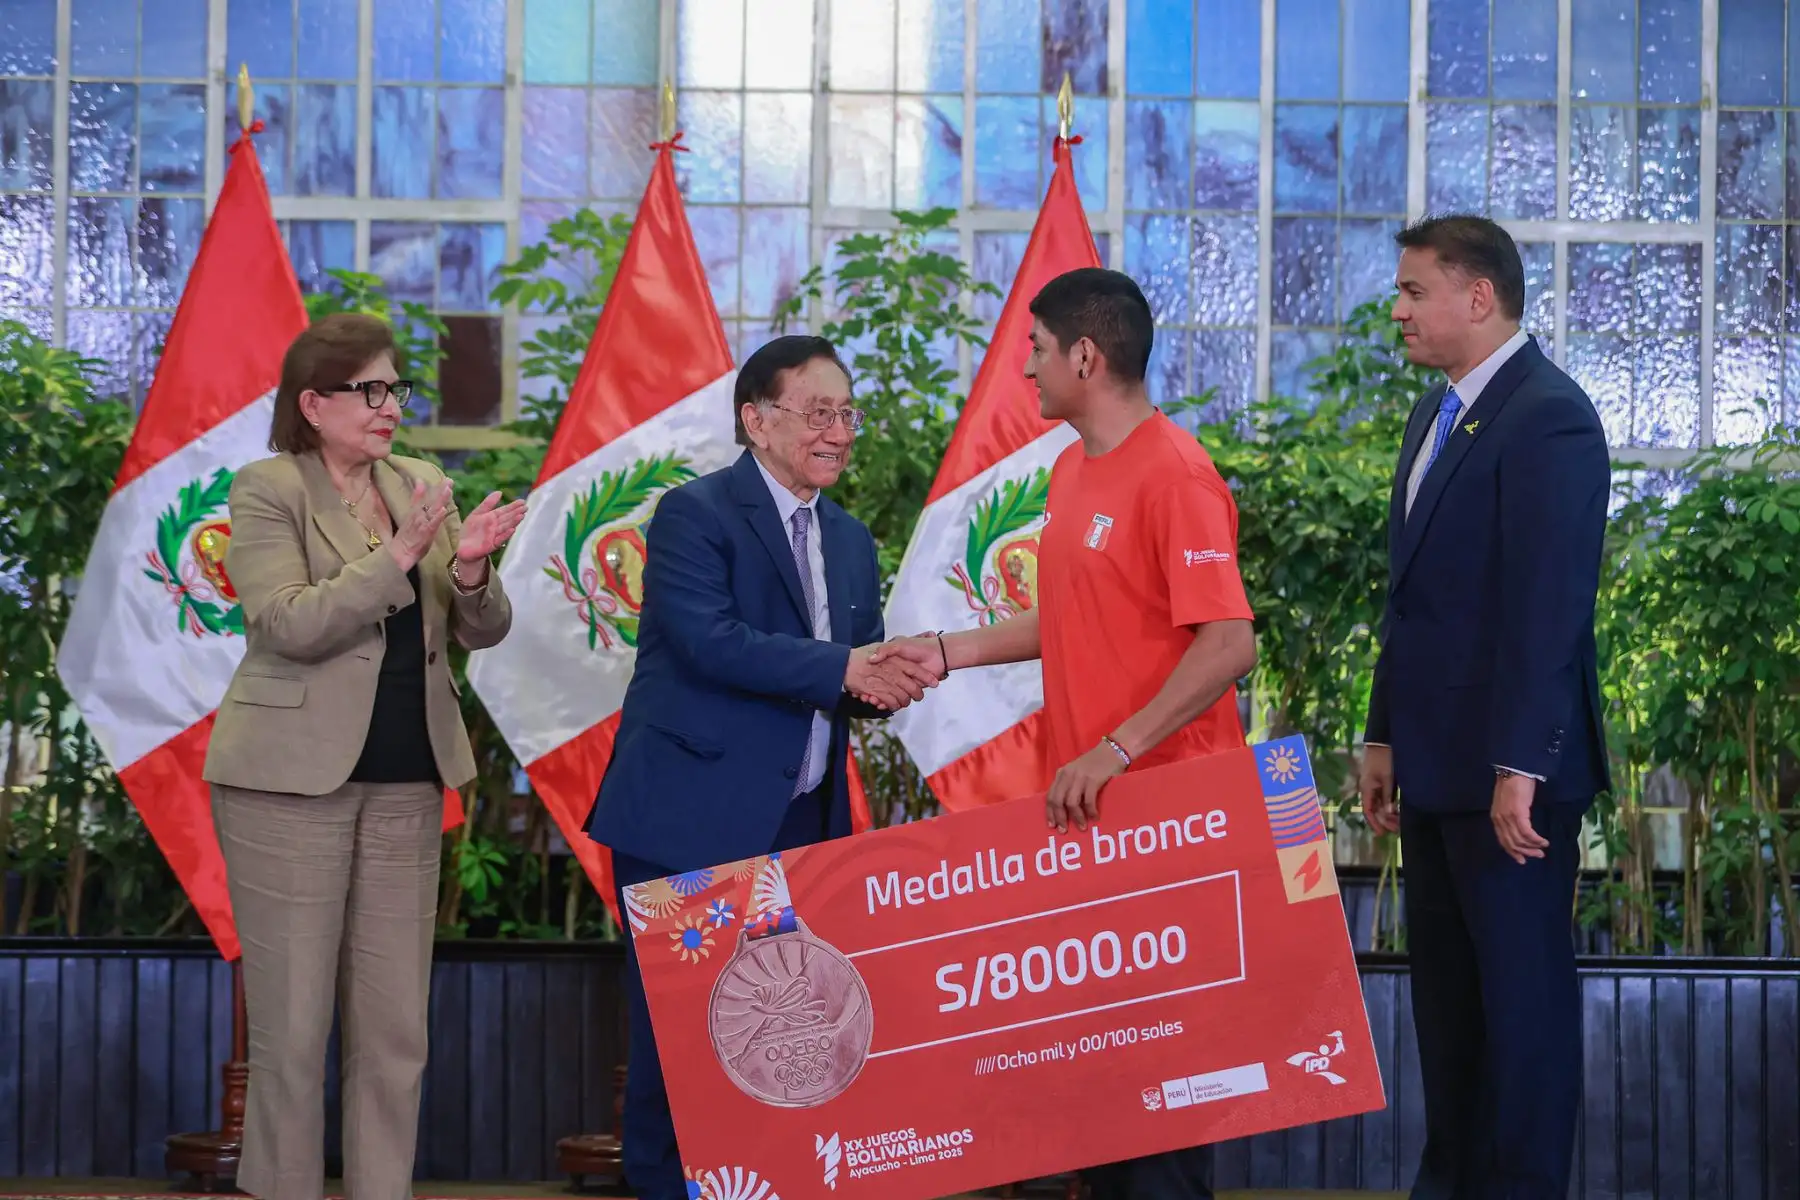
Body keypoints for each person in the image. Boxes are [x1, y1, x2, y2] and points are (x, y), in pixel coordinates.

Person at [874, 268, 1257, 1200]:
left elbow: (1230, 641)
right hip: (1086, 821)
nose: (1025, 372)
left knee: (1162, 1100)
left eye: (1036, 351)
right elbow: (1074, 617)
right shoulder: (1071, 467)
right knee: (1103, 1091)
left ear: (1086, 355)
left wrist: (1116, 748)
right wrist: (942, 650)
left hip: (1168, 821)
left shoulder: (1177, 473)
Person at [585, 334, 941, 1200]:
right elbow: (712, 644)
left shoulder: (851, 538)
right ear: (757, 419)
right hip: (688, 821)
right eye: (820, 412)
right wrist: (845, 669)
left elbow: (843, 670)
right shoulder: (695, 515)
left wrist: (890, 680)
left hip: (802, 828)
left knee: (786, 1039)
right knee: (682, 1034)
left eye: (848, 413)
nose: (841, 432)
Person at [203, 313, 525, 1200]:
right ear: (314, 403)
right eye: (371, 391)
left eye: (397, 391)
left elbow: (483, 631)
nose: (391, 408)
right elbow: (288, 623)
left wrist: (467, 568)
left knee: (394, 1034)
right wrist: (405, 552)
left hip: (408, 780)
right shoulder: (269, 487)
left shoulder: (420, 480)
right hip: (285, 785)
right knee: (294, 1032)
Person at [1359, 215, 1610, 1200]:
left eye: (1415, 290)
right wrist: (1381, 735)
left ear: (1479, 296)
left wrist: (1524, 765)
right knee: (1451, 1017)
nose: (1399, 309)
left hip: (1513, 783)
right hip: (1433, 766)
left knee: (1522, 1016)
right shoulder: (1436, 414)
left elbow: (1550, 605)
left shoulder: (1550, 412)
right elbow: (1412, 597)